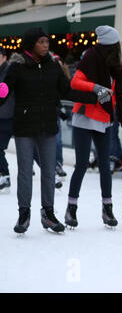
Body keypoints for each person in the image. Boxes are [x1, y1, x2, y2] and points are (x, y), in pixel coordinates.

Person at [0, 27, 98, 234]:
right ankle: (24, 214)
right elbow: (5, 89)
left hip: (47, 125)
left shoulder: (53, 66)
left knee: (49, 172)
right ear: (31, 44)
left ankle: (48, 213)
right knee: (25, 172)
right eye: (41, 42)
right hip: (25, 126)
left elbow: (67, 91)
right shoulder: (17, 66)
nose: (46, 45)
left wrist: (94, 97)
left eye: (47, 41)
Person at [64, 25, 122, 230]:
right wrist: (96, 87)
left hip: (104, 118)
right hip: (85, 115)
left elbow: (117, 96)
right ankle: (71, 208)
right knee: (82, 164)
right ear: (110, 44)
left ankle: (107, 209)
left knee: (104, 165)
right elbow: (75, 82)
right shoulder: (90, 58)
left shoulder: (116, 67)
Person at [0, 46, 13, 194]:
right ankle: (5, 175)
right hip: (2, 115)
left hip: (10, 116)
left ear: (4, 56)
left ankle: (52, 172)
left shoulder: (9, 71)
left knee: (32, 148)